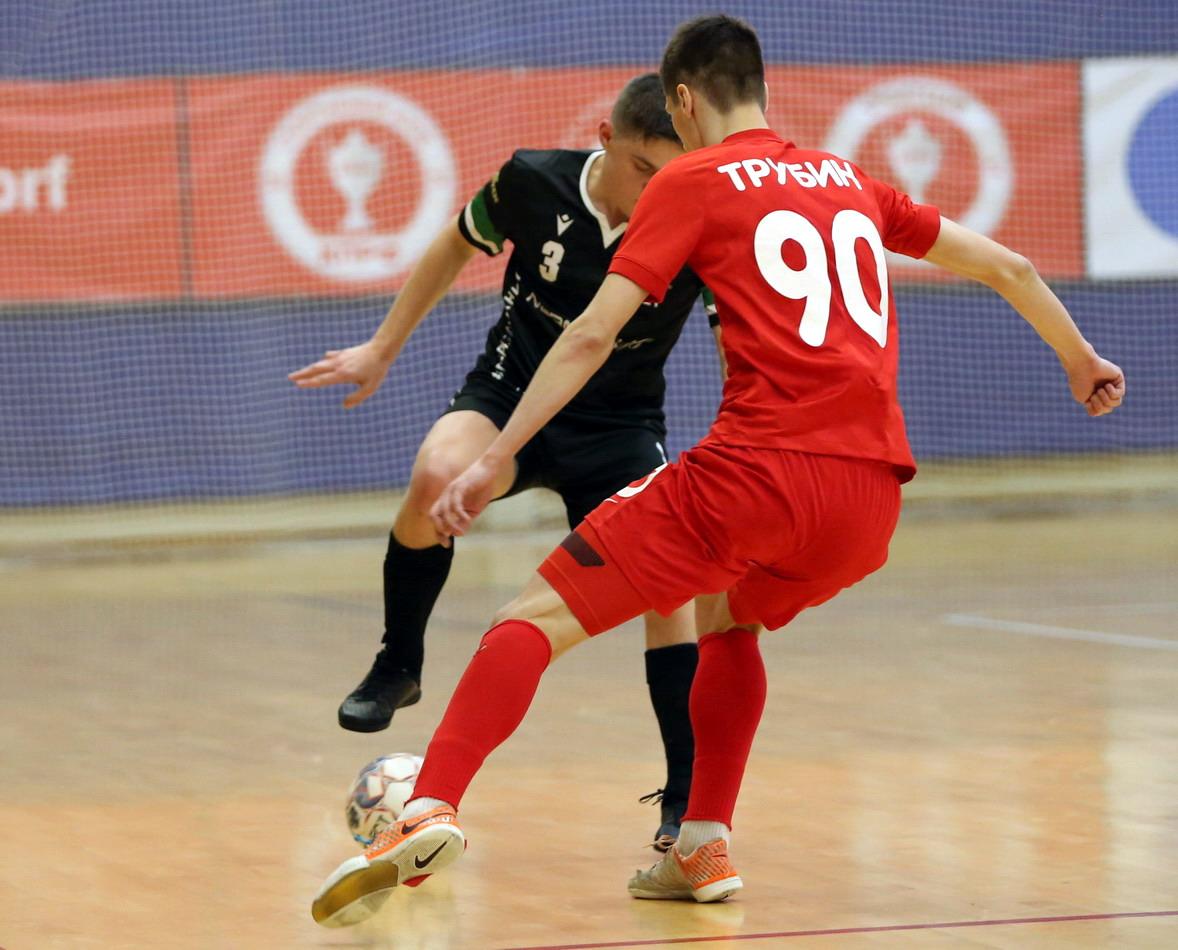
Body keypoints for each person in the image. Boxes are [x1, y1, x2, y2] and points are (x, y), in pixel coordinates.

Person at [310, 15, 1125, 928]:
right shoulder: (849, 180)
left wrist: (496, 456)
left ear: (685, 99)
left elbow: (591, 334)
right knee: (726, 618)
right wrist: (1081, 360)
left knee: (530, 618)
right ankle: (699, 841)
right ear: (762, 89)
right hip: (869, 499)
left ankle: (426, 808)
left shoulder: (692, 180)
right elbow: (1009, 265)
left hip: (754, 475)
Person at [290, 74, 722, 850]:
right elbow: (454, 242)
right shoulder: (532, 180)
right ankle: (398, 664)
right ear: (605, 138)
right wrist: (382, 348)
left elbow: (736, 334)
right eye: (642, 170)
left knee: (672, 590)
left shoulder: (697, 218)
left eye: (672, 174)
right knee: (435, 474)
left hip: (617, 426)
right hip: (508, 392)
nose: (653, 191)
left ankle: (684, 795)